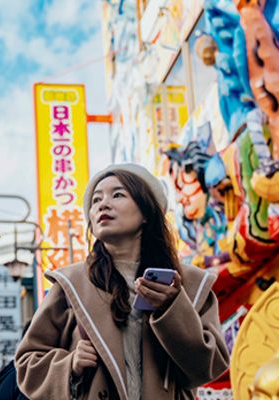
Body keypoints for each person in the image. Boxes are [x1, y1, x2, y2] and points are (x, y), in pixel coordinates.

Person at [15, 164, 230, 400]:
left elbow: (210, 366)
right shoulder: (71, 285)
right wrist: (70, 365)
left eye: (118, 195)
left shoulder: (190, 284)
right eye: (96, 200)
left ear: (147, 211)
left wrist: (173, 309)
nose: (103, 205)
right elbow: (27, 362)